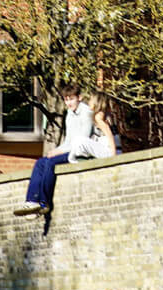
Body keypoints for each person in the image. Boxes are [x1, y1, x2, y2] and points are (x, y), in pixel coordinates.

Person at [15, 86, 113, 216]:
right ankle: (32, 200)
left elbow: (82, 139)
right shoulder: (69, 115)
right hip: (69, 149)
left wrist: (59, 152)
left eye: (71, 99)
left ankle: (44, 203)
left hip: (80, 152)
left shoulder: (86, 113)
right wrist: (57, 150)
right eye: (66, 100)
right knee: (40, 163)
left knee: (50, 163)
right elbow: (68, 141)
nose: (68, 103)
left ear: (79, 98)